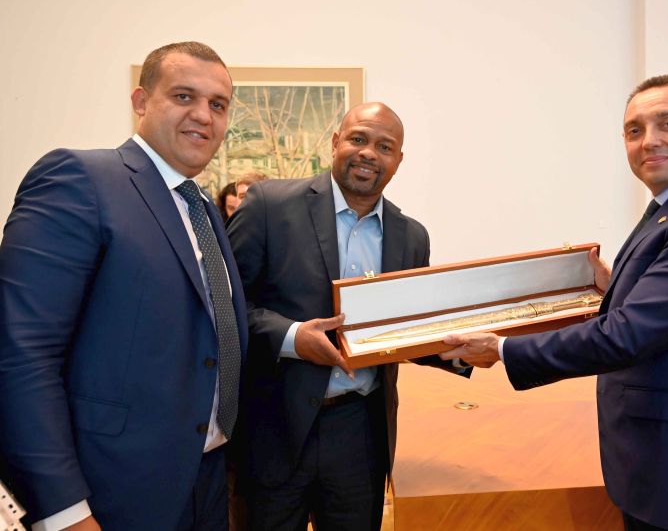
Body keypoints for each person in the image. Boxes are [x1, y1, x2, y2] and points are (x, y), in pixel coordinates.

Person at [440, 75, 668, 531]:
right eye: (634, 130)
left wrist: (503, 348)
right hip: (662, 459)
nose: (650, 140)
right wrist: (615, 290)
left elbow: (629, 334)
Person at [0, 41, 248, 530]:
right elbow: (20, 353)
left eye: (218, 104)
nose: (203, 115)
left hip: (205, 481)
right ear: (141, 101)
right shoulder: (80, 179)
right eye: (183, 96)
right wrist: (63, 511)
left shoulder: (201, 208)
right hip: (110, 492)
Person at [227, 102, 467, 530]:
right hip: (273, 430)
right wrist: (292, 338)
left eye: (384, 146)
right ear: (336, 142)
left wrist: (464, 350)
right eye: (358, 139)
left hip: (360, 434)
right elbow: (225, 306)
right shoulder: (269, 206)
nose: (369, 153)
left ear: (398, 160)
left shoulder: (412, 237)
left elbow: (409, 331)